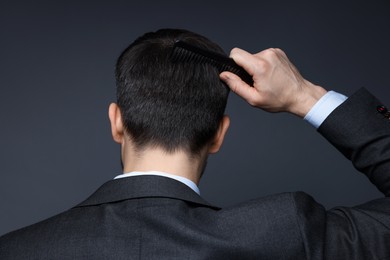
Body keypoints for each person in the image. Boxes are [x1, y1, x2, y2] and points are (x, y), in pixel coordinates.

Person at [0, 28, 389, 259]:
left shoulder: (18, 249)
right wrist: (306, 96)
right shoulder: (285, 233)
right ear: (220, 133)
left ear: (116, 122)